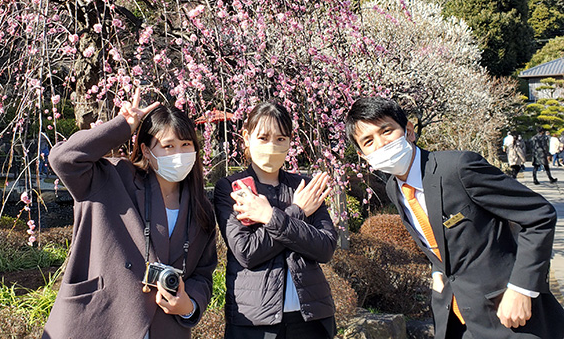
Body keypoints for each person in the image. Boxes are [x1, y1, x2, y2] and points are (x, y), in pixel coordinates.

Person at [345, 96, 564, 339]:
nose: (381, 144)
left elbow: (539, 216)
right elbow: (437, 238)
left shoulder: (458, 168)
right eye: (368, 141)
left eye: (386, 131)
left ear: (408, 131)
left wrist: (522, 288)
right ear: (363, 156)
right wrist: (438, 272)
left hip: (511, 315)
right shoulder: (393, 189)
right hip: (456, 320)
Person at [42, 90, 217, 339]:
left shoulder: (201, 208)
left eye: (186, 145)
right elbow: (63, 160)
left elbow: (203, 272)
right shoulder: (113, 179)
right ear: (146, 151)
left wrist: (189, 306)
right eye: (168, 146)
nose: (178, 154)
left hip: (165, 329)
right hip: (102, 321)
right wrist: (123, 126)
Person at [213, 101, 337, 339]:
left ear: (290, 141)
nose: (272, 145)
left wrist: (269, 217)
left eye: (281, 139)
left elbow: (325, 248)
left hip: (312, 318)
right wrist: (298, 211)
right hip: (256, 321)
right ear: (246, 137)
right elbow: (246, 252)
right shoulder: (231, 188)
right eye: (263, 138)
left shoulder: (304, 186)